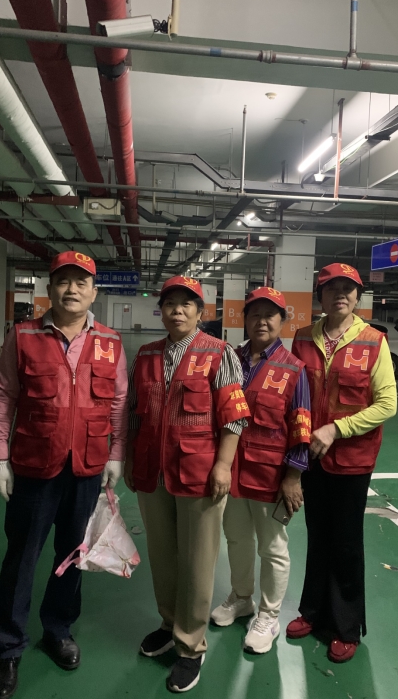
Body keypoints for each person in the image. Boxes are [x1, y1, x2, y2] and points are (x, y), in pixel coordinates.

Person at [0, 251, 127, 699]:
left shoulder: (110, 341)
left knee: (72, 555)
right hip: (34, 467)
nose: (72, 289)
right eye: (63, 281)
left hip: (87, 468)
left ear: (94, 292)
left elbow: (119, 403)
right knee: (21, 557)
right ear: (51, 288)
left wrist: (116, 455)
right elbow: (5, 395)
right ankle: (9, 648)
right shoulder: (24, 335)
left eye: (81, 282)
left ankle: (57, 630)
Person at [125, 275, 250, 693]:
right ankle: (169, 624)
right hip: (152, 471)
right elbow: (134, 414)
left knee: (197, 562)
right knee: (162, 555)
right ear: (161, 310)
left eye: (186, 304)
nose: (177, 310)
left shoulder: (219, 353)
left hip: (199, 473)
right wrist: (130, 460)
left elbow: (234, 415)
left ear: (200, 312)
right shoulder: (145, 355)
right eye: (170, 304)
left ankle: (191, 645)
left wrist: (223, 466)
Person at [286, 263, 397, 663]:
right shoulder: (303, 338)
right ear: (321, 296)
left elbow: (387, 404)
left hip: (352, 459)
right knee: (318, 535)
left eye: (349, 289)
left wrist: (336, 429)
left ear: (357, 297)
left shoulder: (373, 341)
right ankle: (312, 612)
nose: (341, 295)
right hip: (312, 458)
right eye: (333, 288)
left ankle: (346, 627)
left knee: (346, 541)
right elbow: (293, 395)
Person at [211, 287, 311, 654]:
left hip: (269, 474)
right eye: (255, 314)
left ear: (283, 321)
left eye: (270, 315)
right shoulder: (229, 359)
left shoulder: (293, 368)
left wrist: (293, 476)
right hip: (231, 471)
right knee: (236, 539)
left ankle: (269, 615)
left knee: (272, 547)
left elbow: (301, 424)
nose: (262, 321)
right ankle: (241, 597)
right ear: (245, 319)